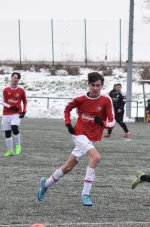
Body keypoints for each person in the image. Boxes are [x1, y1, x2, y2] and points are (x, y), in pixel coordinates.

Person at [37, 72, 115, 206]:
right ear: (89, 85)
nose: (95, 88)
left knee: (68, 167)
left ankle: (46, 183)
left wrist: (102, 123)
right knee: (95, 158)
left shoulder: (106, 100)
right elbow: (67, 109)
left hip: (92, 137)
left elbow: (112, 122)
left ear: (102, 86)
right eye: (93, 85)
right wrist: (68, 124)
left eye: (98, 85)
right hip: (79, 133)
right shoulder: (80, 99)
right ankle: (85, 194)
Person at [2, 72, 27, 156]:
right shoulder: (5, 90)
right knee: (7, 132)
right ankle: (10, 151)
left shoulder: (21, 90)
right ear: (11, 78)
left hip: (16, 113)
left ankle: (18, 145)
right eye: (14, 77)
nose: (15, 79)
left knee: (14, 127)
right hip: (6, 113)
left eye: (17, 78)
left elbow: (25, 101)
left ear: (19, 80)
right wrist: (10, 106)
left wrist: (24, 111)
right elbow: (3, 102)